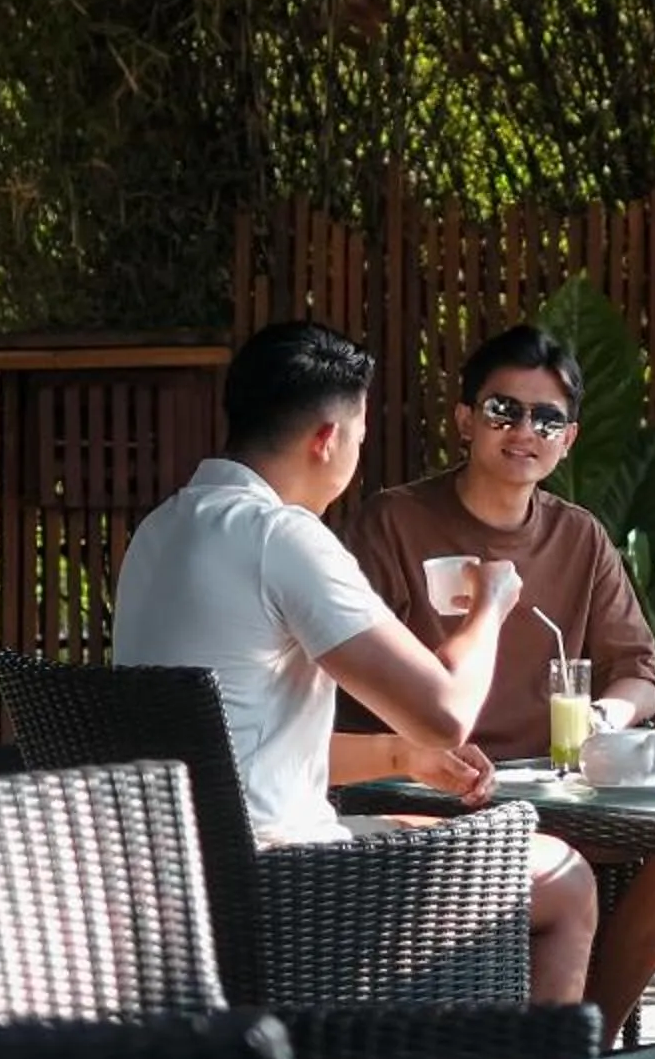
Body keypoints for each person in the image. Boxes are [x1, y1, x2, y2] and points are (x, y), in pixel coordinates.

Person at [112, 320, 598, 1006]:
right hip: (285, 886)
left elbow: (227, 752)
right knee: (566, 878)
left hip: (169, 885)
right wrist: (490, 604)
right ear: (326, 439)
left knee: (448, 837)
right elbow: (445, 712)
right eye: (360, 439)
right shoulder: (282, 536)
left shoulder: (161, 531)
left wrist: (399, 760)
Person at [345, 323, 655, 1040]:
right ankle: (541, 1053)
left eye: (547, 418)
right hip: (429, 791)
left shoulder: (581, 536)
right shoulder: (395, 521)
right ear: (465, 419)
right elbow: (347, 680)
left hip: (557, 790)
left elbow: (639, 672)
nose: (524, 430)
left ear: (568, 439)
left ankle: (579, 1038)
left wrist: (603, 720)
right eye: (504, 410)